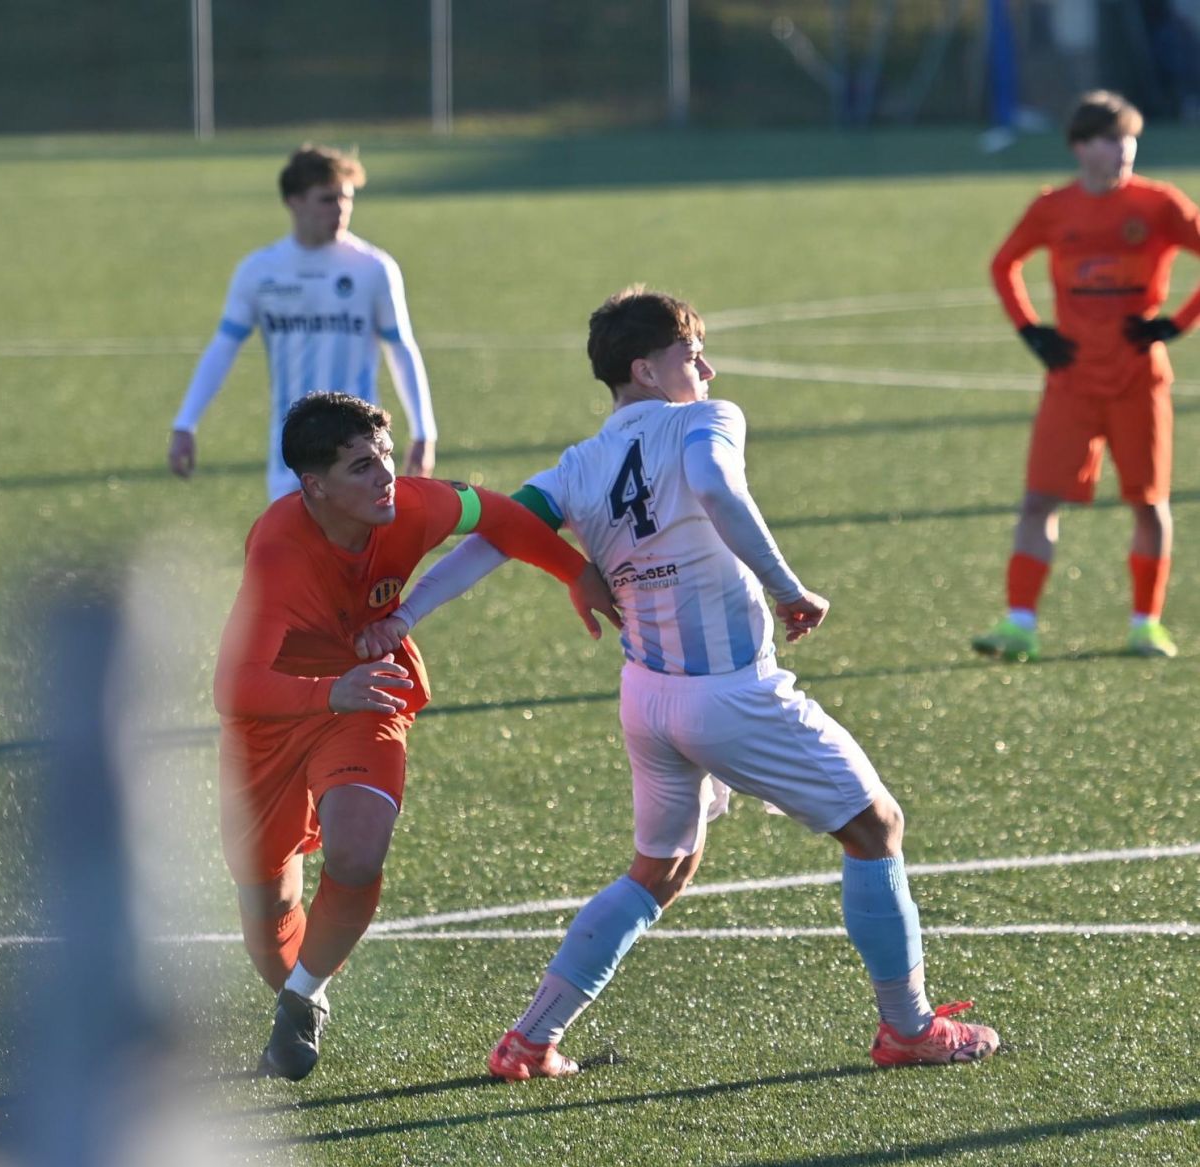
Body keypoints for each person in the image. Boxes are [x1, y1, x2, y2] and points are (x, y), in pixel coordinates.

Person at [355, 288, 1000, 1076]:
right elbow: (717, 486)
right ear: (645, 369)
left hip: (648, 698)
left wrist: (403, 617)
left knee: (660, 870)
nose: (708, 369)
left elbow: (491, 540)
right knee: (876, 828)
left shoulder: (574, 468)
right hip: (728, 695)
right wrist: (788, 588)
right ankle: (908, 1029)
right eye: (692, 355)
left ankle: (531, 1040)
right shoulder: (705, 420)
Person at [214, 390, 617, 1081]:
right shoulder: (279, 550)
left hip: (369, 690)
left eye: (386, 456)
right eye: (362, 467)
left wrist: (575, 572)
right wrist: (325, 691)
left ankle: (304, 997)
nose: (386, 477)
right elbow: (233, 687)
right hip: (274, 715)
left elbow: (499, 515)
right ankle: (297, 993)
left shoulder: (414, 506)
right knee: (269, 903)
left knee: (357, 852)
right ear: (314, 486)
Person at [974, 90, 1200, 662]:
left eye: (1129, 138)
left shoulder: (1159, 204)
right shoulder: (1054, 208)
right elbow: (1002, 264)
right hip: (1071, 380)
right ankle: (1020, 624)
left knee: (1149, 504)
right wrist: (1032, 331)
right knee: (1037, 502)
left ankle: (1146, 625)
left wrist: (1175, 324)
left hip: (1138, 380)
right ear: (1079, 146)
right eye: (1109, 138)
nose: (1122, 149)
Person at [168, 144, 438, 501]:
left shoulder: (374, 268)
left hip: (360, 455)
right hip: (291, 456)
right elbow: (223, 348)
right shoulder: (259, 271)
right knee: (291, 538)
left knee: (363, 537)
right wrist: (185, 423)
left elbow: (401, 347)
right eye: (327, 199)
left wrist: (424, 430)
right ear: (293, 201)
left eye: (346, 197)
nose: (340, 208)